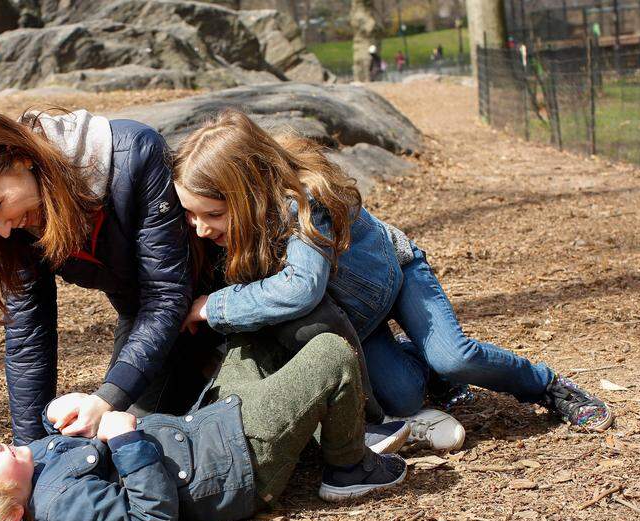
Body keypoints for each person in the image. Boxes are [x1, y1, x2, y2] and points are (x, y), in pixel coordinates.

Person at [172, 110, 614, 450]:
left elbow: (300, 288)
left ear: (251, 192)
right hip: (356, 323)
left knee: (454, 358)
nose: (200, 227)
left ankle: (547, 386)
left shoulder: (303, 203)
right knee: (402, 399)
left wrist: (214, 306)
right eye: (190, 213)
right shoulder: (227, 231)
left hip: (397, 277)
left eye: (212, 214)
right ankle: (427, 373)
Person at [0, 333, 408, 521]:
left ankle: (321, 425)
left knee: (253, 343)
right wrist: (127, 440)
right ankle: (349, 466)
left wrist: (65, 413)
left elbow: (68, 446)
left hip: (210, 426)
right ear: (7, 515)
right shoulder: (62, 511)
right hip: (238, 460)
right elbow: (149, 517)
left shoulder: (36, 468)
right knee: (329, 354)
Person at [0, 109, 195, 447]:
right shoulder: (16, 224)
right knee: (111, 440)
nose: (1, 230)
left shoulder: (133, 153)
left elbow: (165, 293)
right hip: (146, 322)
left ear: (21, 159)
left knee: (183, 437)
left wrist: (107, 397)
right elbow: (28, 337)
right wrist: (31, 452)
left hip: (218, 301)